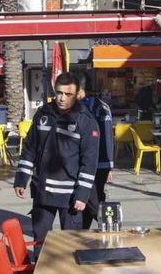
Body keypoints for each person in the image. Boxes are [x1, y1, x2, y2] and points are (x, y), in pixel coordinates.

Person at [14, 72, 100, 244]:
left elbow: (89, 161)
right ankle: (40, 271)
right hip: (42, 191)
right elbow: (30, 148)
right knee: (41, 242)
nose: (62, 98)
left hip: (71, 196)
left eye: (68, 94)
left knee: (71, 245)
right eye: (59, 93)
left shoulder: (86, 120)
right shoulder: (43, 114)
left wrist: (82, 194)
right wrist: (21, 179)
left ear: (77, 95)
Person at [77, 74, 114, 229]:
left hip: (96, 163)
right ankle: (84, 231)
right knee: (87, 198)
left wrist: (108, 164)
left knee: (93, 199)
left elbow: (106, 137)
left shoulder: (97, 108)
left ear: (80, 90)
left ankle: (109, 226)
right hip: (92, 163)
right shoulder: (99, 106)